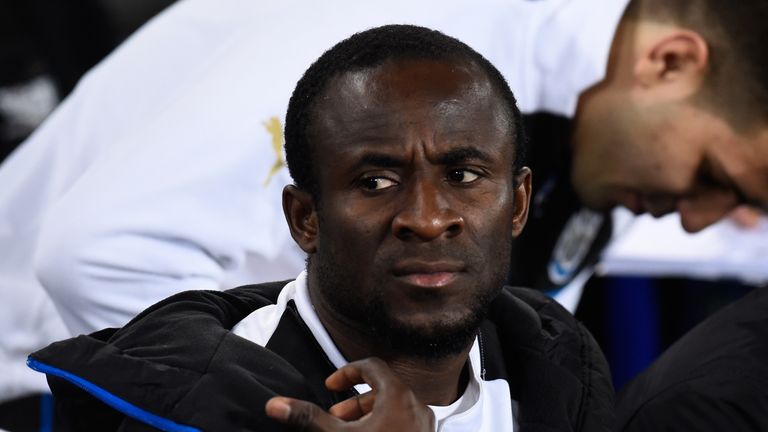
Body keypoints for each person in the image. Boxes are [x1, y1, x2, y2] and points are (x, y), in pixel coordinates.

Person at [0, 0, 629, 421]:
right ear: (303, 218)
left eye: (464, 176)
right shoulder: (398, 46)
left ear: (518, 201)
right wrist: (257, 403)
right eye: (377, 181)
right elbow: (92, 255)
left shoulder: (558, 369)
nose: (430, 217)